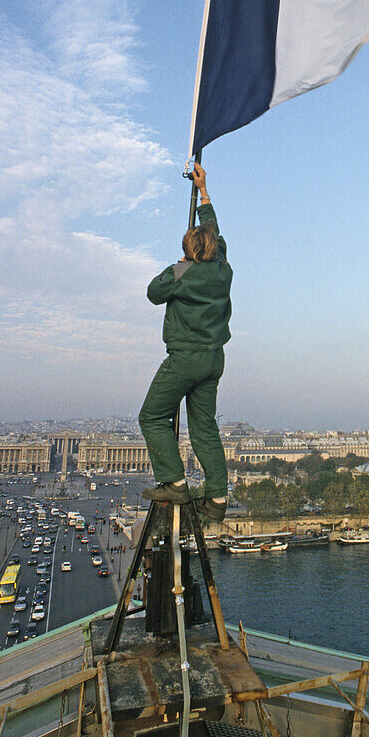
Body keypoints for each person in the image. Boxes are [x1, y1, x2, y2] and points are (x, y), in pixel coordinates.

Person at [139, 163, 232, 521]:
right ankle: (217, 499)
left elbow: (153, 292)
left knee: (151, 416)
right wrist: (204, 191)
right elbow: (214, 233)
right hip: (214, 359)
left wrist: (178, 264)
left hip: (185, 359)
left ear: (189, 251)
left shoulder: (183, 272)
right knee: (204, 427)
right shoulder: (223, 268)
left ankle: (174, 482)